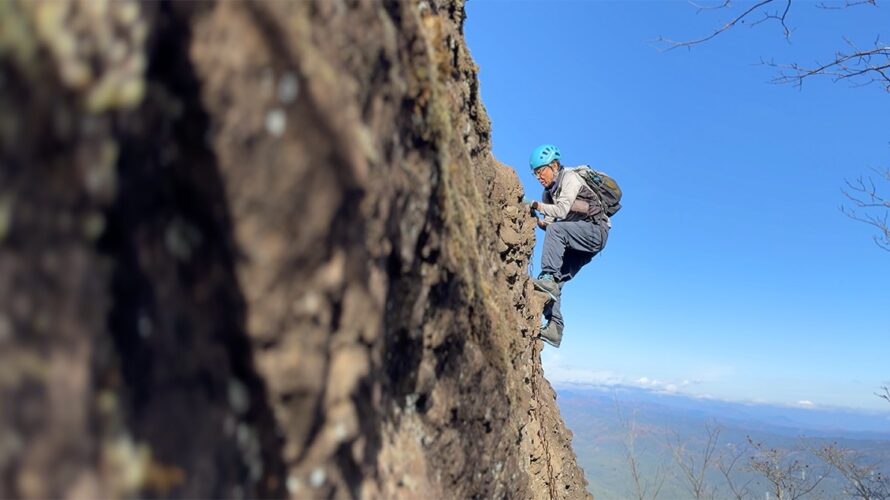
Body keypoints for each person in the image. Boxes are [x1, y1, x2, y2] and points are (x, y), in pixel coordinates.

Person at [525, 144, 610, 348]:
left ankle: (547, 276)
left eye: (541, 170)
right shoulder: (549, 195)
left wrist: (534, 205)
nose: (539, 176)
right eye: (535, 173)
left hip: (596, 231)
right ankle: (555, 328)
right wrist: (536, 221)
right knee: (556, 281)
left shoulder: (570, 177)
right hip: (577, 241)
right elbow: (553, 227)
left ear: (554, 165)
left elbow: (561, 212)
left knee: (549, 276)